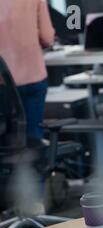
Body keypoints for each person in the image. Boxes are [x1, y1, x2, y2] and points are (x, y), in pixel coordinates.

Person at [0, 0, 55, 141]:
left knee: (4, 140)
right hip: (33, 77)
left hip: (3, 83)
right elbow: (47, 38)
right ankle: (34, 161)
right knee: (33, 137)